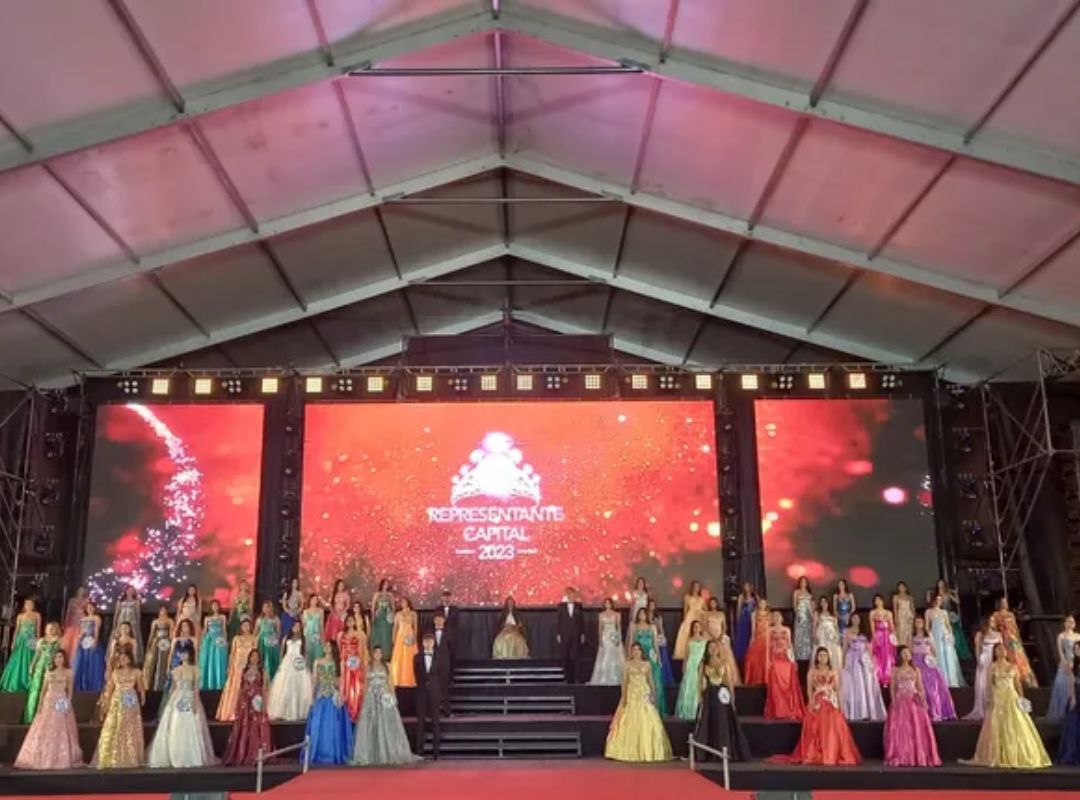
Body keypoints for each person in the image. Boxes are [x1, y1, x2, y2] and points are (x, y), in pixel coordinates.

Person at [962, 643, 1050, 769]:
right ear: (995, 652)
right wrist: (989, 698)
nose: (1001, 651)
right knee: (996, 725)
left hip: (1012, 697)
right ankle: (998, 754)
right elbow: (989, 684)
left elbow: (1017, 684)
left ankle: (1017, 754)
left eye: (1003, 649)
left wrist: (1022, 698)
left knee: (1016, 724)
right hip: (998, 697)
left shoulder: (1013, 666)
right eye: (998, 650)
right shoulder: (992, 666)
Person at [773, 647, 861, 766]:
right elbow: (809, 691)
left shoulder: (834, 672)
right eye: (820, 655)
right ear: (817, 658)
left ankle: (832, 752)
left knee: (835, 727)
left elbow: (837, 690)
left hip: (831, 703)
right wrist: (811, 704)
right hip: (818, 703)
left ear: (828, 658)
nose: (822, 658)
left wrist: (840, 706)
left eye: (825, 655)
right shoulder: (812, 672)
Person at [147, 640, 217, 768]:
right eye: (181, 653)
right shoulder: (175, 670)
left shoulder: (195, 669)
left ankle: (191, 755)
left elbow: (196, 689)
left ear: (190, 654)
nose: (183, 655)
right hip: (177, 698)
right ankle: (175, 754)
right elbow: (173, 688)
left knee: (191, 725)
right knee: (175, 725)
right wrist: (168, 704)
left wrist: (195, 702)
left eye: (186, 653)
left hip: (189, 697)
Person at [603, 642, 673, 763]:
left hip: (644, 693)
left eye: (638, 649)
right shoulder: (627, 665)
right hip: (631, 694)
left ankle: (649, 751)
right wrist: (624, 697)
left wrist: (654, 695)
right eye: (634, 649)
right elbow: (624, 682)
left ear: (641, 652)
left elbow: (651, 681)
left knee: (649, 720)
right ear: (631, 652)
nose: (636, 652)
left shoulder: (647, 664)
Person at [14, 649, 83, 769]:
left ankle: (61, 757)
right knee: (44, 729)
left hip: (61, 702)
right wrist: (40, 705)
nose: (58, 659)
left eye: (60, 657)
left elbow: (70, 691)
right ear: (53, 660)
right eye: (56, 657)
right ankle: (41, 757)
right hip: (48, 702)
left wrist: (66, 704)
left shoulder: (69, 672)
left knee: (60, 729)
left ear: (64, 659)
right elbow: (43, 691)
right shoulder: (49, 672)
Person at [352, 645, 419, 765]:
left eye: (380, 653)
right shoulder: (368, 666)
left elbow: (390, 682)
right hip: (371, 698)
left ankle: (389, 752)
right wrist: (364, 698)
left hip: (384, 697)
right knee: (371, 724)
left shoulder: (387, 666)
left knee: (386, 723)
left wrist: (393, 696)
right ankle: (372, 753)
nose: (378, 655)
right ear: (372, 654)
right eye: (376, 653)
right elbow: (365, 684)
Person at [884, 645, 941, 766]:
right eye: (904, 653)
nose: (906, 655)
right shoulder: (895, 670)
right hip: (901, 700)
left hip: (914, 699)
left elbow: (920, 687)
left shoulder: (916, 670)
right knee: (902, 729)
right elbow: (892, 687)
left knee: (917, 727)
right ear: (900, 655)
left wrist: (922, 699)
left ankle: (918, 754)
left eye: (908, 653)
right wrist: (894, 700)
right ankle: (903, 754)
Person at [694, 643, 751, 762]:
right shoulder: (703, 664)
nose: (713, 649)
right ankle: (707, 752)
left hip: (722, 694)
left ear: (718, 650)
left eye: (715, 647)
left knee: (723, 721)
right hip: (710, 694)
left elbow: (729, 681)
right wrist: (700, 697)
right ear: (707, 650)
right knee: (709, 721)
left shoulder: (724, 663)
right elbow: (700, 682)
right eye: (710, 648)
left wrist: (732, 699)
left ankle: (725, 750)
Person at [91, 649, 145, 769]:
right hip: (117, 701)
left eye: (125, 658)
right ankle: (113, 756)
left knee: (130, 726)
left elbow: (141, 687)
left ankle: (129, 756)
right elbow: (110, 688)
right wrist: (106, 702)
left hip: (130, 701)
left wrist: (142, 697)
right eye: (120, 658)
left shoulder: (137, 672)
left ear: (130, 659)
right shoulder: (115, 672)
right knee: (115, 726)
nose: (122, 660)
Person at [222, 650, 272, 766]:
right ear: (249, 658)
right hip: (245, 702)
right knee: (243, 726)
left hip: (257, 701)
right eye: (252, 656)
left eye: (256, 656)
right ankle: (241, 753)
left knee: (257, 727)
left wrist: (264, 704)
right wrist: (238, 703)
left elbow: (264, 688)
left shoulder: (262, 671)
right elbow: (240, 687)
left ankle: (256, 754)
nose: (254, 658)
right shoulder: (244, 670)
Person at [306, 644, 353, 765]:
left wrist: (340, 695)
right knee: (317, 725)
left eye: (329, 646)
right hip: (320, 697)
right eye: (325, 646)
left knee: (331, 726)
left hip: (332, 697)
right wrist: (312, 697)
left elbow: (340, 682)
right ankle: (316, 753)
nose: (326, 648)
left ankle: (332, 753)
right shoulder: (317, 662)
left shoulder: (338, 663)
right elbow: (314, 681)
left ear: (333, 648)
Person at [910, 616, 957, 721]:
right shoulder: (912, 636)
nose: (919, 623)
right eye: (917, 622)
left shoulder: (929, 635)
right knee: (920, 684)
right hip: (917, 660)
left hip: (928, 661)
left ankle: (936, 710)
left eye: (920, 621)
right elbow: (910, 649)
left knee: (933, 686)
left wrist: (934, 660)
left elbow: (933, 648)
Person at [840, 613, 885, 721]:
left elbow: (870, 649)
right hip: (852, 660)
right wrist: (843, 662)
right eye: (854, 618)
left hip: (864, 660)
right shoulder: (847, 631)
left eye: (858, 618)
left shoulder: (865, 632)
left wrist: (872, 663)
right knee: (856, 683)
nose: (855, 620)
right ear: (851, 619)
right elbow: (844, 648)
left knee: (867, 684)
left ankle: (868, 711)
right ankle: (856, 712)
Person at [414, 632, 449, 759]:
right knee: (420, 723)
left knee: (435, 722)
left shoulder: (439, 657)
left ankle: (436, 753)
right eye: (426, 641)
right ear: (422, 643)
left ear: (433, 643)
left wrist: (436, 688)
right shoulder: (417, 657)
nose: (428, 644)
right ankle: (419, 752)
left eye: (430, 641)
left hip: (434, 693)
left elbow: (442, 675)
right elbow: (416, 675)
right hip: (421, 694)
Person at [765, 610, 805, 721]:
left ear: (782, 618)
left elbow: (790, 645)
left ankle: (788, 709)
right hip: (775, 658)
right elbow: (767, 647)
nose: (777, 618)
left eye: (778, 616)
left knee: (787, 684)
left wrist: (793, 660)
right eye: (774, 616)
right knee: (776, 685)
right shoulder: (769, 630)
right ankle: (779, 710)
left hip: (786, 658)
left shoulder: (787, 629)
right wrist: (768, 662)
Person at [268, 622, 312, 721]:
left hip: (299, 662)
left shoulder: (303, 639)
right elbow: (282, 653)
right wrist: (280, 665)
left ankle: (299, 711)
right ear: (292, 627)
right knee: (285, 685)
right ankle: (283, 711)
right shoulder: (286, 638)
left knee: (299, 685)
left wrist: (306, 666)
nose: (296, 628)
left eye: (298, 626)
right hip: (287, 662)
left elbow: (305, 653)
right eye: (295, 626)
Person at [216, 617, 258, 722]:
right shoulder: (236, 638)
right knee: (235, 687)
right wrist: (230, 666)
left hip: (248, 667)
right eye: (244, 625)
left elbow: (255, 654)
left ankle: (247, 712)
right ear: (241, 627)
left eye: (248, 625)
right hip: (237, 666)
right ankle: (233, 712)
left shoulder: (254, 638)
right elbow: (232, 654)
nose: (246, 627)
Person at [965, 616, 1004, 721]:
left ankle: (995, 707)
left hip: (994, 659)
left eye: (994, 620)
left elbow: (1001, 648)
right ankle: (983, 708)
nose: (993, 622)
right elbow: (977, 649)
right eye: (991, 620)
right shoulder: (980, 634)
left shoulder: (998, 634)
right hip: (985, 659)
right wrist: (979, 661)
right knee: (983, 683)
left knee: (993, 682)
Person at [993, 595, 1037, 687]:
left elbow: (1015, 629)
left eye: (1005, 602)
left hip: (1013, 639)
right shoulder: (996, 615)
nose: (1005, 604)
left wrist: (1018, 639)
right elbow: (994, 628)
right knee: (1010, 658)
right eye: (1003, 602)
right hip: (1004, 639)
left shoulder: (1011, 615)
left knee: (1020, 657)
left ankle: (1024, 679)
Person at [23, 621, 62, 723]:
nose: (50, 630)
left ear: (55, 629)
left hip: (51, 667)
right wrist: (32, 666)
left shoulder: (59, 641)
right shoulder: (41, 641)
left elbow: (61, 656)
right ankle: (32, 715)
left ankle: (47, 716)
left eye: (52, 628)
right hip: (40, 667)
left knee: (49, 691)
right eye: (48, 628)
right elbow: (37, 654)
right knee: (36, 689)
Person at [630, 607, 666, 715]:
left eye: (644, 613)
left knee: (655, 680)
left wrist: (659, 658)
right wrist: (631, 656)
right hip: (639, 655)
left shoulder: (652, 627)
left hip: (651, 654)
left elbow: (655, 643)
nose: (642, 615)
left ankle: (656, 707)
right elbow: (632, 643)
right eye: (640, 613)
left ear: (647, 615)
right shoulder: (635, 627)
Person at [1, 598, 41, 693]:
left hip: (31, 639)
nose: (29, 606)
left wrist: (38, 641)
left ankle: (29, 681)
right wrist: (13, 642)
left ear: (33, 606)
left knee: (31, 659)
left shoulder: (37, 615)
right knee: (17, 659)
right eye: (27, 604)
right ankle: (14, 681)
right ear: (24, 606)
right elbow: (17, 630)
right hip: (21, 640)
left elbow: (38, 628)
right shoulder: (20, 616)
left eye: (31, 604)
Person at [926, 593, 964, 688]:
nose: (938, 601)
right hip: (935, 635)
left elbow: (948, 625)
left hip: (945, 635)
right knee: (939, 655)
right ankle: (941, 681)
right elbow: (927, 626)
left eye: (940, 600)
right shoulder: (928, 612)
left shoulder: (944, 612)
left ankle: (951, 680)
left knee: (948, 655)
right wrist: (930, 635)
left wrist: (950, 635)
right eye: (937, 599)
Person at [930, 578, 970, 660]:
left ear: (944, 585)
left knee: (955, 633)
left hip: (949, 615)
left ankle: (957, 652)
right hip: (940, 616)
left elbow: (958, 602)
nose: (941, 585)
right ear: (937, 585)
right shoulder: (935, 595)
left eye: (942, 583)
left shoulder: (947, 594)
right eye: (939, 584)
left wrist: (955, 593)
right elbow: (932, 606)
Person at [674, 620, 707, 720]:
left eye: (698, 627)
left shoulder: (705, 640)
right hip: (691, 666)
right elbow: (687, 656)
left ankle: (697, 710)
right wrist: (684, 667)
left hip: (700, 665)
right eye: (695, 627)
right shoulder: (689, 640)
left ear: (701, 628)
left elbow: (705, 655)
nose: (696, 629)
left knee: (698, 687)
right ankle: (686, 711)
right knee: (688, 686)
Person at [1049, 615, 1080, 721]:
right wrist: (1065, 663)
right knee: (1061, 684)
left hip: (1077, 662)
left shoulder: (1078, 636)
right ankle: (1063, 711)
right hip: (1066, 662)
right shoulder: (1061, 636)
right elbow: (1060, 652)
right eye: (1068, 621)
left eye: (1072, 621)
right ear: (1065, 623)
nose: (1070, 623)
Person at [338, 613, 368, 721]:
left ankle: (356, 709)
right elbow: (340, 649)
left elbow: (361, 650)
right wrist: (343, 660)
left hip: (355, 662)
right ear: (345, 622)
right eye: (348, 620)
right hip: (346, 663)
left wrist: (361, 663)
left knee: (356, 685)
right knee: (346, 684)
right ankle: (346, 711)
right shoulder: (341, 634)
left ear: (354, 621)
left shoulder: (358, 634)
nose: (350, 622)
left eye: (352, 620)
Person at [73, 601, 106, 692]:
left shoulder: (96, 618)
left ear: (94, 608)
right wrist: (80, 637)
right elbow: (82, 631)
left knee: (93, 662)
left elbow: (96, 630)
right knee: (82, 662)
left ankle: (93, 686)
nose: (90, 609)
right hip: (84, 642)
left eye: (91, 607)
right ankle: (83, 685)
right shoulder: (83, 619)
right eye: (88, 608)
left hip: (92, 640)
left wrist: (95, 641)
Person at [1056, 640, 1080, 764]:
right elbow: (1072, 682)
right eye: (1075, 649)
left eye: (1078, 649)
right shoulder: (1073, 664)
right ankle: (1071, 752)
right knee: (1073, 722)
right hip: (1077, 692)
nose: (1076, 651)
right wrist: (1073, 697)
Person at [556, 587, 586, 683]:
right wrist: (558, 633)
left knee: (576, 656)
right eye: (568, 593)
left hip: (576, 634)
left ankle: (577, 677)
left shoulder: (578, 606)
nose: (570, 595)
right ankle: (567, 678)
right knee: (565, 656)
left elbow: (582, 621)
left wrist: (582, 634)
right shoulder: (561, 606)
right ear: (566, 595)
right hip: (564, 634)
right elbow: (558, 621)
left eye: (571, 593)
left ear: (574, 594)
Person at [162, 618, 198, 696]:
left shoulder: (193, 640)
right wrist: (168, 666)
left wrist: (196, 666)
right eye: (183, 626)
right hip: (175, 663)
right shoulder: (175, 640)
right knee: (173, 685)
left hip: (188, 664)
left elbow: (196, 654)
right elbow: (171, 654)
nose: (184, 628)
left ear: (190, 627)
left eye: (186, 626)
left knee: (187, 684)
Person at [199, 599, 229, 690]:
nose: (215, 607)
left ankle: (219, 683)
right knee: (209, 659)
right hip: (209, 640)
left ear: (219, 607)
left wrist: (225, 641)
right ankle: (208, 683)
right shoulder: (207, 618)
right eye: (213, 605)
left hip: (219, 639)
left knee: (219, 659)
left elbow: (224, 630)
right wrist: (201, 642)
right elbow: (205, 630)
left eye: (216, 605)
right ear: (211, 607)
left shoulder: (223, 617)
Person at [143, 605, 175, 691]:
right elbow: (152, 633)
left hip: (165, 642)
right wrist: (149, 643)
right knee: (153, 661)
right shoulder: (155, 621)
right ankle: (152, 684)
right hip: (156, 641)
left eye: (164, 610)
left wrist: (171, 642)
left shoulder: (170, 621)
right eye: (161, 610)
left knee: (163, 661)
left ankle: (162, 683)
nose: (163, 612)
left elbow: (171, 632)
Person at [813, 595, 843, 687]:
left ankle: (836, 679)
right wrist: (814, 636)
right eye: (821, 602)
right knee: (823, 652)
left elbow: (836, 626)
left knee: (834, 655)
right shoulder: (817, 613)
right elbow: (814, 625)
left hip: (832, 636)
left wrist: (838, 636)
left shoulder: (833, 613)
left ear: (827, 603)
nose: (823, 603)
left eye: (825, 602)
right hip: (822, 635)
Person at [673, 581, 706, 660]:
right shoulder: (687, 597)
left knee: (700, 632)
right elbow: (685, 609)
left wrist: (702, 613)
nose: (696, 588)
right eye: (695, 586)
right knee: (687, 632)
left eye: (698, 586)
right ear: (692, 587)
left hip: (699, 616)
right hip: (690, 616)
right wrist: (684, 620)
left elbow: (705, 608)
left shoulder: (701, 598)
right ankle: (686, 652)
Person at [390, 596, 419, 688]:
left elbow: (415, 627)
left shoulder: (413, 614)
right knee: (399, 657)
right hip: (400, 637)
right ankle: (398, 678)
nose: (403, 603)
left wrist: (415, 638)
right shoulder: (398, 614)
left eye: (405, 602)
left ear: (408, 602)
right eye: (402, 602)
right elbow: (395, 628)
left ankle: (410, 678)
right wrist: (393, 639)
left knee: (410, 657)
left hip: (410, 636)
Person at [647, 598, 675, 687]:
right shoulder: (645, 616)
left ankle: (663, 678)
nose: (652, 606)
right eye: (650, 605)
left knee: (661, 657)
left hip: (658, 637)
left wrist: (663, 636)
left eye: (653, 605)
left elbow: (661, 628)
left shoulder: (658, 616)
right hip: (648, 638)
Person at [869, 594, 896, 686]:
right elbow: (872, 627)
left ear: (882, 601)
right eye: (876, 600)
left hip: (887, 637)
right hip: (878, 635)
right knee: (878, 656)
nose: (878, 602)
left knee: (887, 656)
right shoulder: (872, 613)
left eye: (879, 600)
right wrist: (874, 638)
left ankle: (887, 677)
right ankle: (879, 677)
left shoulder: (888, 613)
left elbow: (892, 626)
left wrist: (894, 637)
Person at [112, 586, 143, 664]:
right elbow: (116, 613)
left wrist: (137, 626)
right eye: (129, 590)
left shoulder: (136, 601)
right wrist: (115, 624)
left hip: (132, 623)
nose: (130, 591)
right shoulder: (120, 601)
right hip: (121, 622)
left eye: (132, 590)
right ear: (126, 591)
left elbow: (138, 614)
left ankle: (133, 659)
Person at [743, 599, 770, 684]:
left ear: (766, 604)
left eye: (764, 603)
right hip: (758, 637)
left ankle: (766, 679)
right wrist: (751, 640)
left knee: (765, 659)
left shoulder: (769, 614)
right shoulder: (754, 614)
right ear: (758, 604)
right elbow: (753, 629)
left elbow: (770, 627)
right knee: (753, 658)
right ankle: (754, 679)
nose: (762, 604)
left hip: (767, 638)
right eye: (761, 603)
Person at [256, 600, 282, 682]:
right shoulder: (259, 619)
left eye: (268, 607)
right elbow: (256, 632)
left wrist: (276, 642)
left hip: (272, 643)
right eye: (264, 607)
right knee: (262, 659)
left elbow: (278, 632)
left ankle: (272, 679)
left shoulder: (275, 619)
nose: (266, 609)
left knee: (271, 661)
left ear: (271, 608)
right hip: (262, 642)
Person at [369, 579, 396, 657]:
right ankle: (376, 654)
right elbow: (373, 606)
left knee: (386, 634)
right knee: (378, 634)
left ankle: (386, 654)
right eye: (385, 584)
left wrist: (393, 616)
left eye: (387, 584)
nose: (386, 585)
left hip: (387, 616)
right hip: (379, 615)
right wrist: (373, 616)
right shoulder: (377, 594)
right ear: (382, 584)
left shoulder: (390, 595)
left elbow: (393, 606)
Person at [61, 587, 89, 662]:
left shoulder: (86, 601)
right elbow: (68, 612)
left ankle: (75, 661)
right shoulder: (72, 601)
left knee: (77, 643)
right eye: (79, 590)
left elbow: (88, 612)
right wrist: (66, 623)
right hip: (72, 623)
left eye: (83, 590)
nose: (81, 591)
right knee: (68, 642)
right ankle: (66, 660)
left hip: (82, 622)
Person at [733, 583, 757, 668]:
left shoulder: (755, 597)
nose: (746, 587)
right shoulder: (741, 597)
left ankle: (751, 658)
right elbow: (738, 609)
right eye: (745, 586)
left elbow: (759, 608)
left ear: (751, 587)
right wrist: (738, 621)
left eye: (748, 586)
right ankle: (742, 659)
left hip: (753, 620)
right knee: (742, 638)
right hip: (743, 620)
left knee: (751, 637)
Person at [302, 594, 325, 668]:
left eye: (316, 599)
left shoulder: (320, 611)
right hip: (308, 637)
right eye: (313, 599)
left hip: (317, 637)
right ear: (309, 600)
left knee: (318, 656)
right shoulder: (305, 611)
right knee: (309, 656)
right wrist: (304, 640)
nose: (314, 601)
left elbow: (321, 626)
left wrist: (323, 639)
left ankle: (317, 673)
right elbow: (304, 626)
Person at [792, 577, 813, 662]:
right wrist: (797, 615)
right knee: (799, 635)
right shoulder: (796, 592)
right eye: (802, 582)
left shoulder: (809, 593)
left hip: (808, 616)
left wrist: (812, 617)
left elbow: (810, 606)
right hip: (800, 616)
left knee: (807, 635)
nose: (803, 583)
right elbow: (794, 605)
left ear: (807, 583)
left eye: (805, 582)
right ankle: (799, 655)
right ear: (799, 583)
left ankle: (807, 655)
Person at [325, 578, 350, 644]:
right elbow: (330, 605)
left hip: (343, 614)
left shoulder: (346, 595)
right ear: (337, 586)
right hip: (334, 614)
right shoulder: (333, 594)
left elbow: (347, 605)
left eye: (342, 585)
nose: (341, 586)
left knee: (341, 630)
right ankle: (333, 641)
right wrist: (334, 613)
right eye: (340, 585)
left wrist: (342, 612)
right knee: (334, 623)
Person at [626, 578, 650, 647]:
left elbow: (647, 606)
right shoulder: (634, 593)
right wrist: (631, 616)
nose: (641, 584)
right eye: (639, 583)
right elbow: (632, 606)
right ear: (637, 584)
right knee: (634, 631)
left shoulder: (646, 594)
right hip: (635, 614)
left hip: (644, 614)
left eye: (642, 583)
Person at [893, 581, 915, 648]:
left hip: (908, 615)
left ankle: (909, 648)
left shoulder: (910, 597)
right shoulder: (896, 597)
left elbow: (912, 608)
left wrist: (913, 617)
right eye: (899, 587)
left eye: (902, 586)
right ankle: (901, 649)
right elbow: (895, 609)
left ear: (905, 588)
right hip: (900, 615)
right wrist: (896, 619)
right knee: (900, 632)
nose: (901, 588)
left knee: (909, 632)